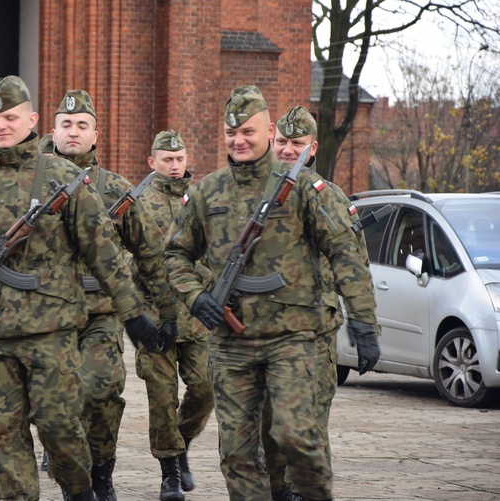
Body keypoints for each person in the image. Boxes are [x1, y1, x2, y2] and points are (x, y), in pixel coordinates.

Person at [0, 75, 162, 501]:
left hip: (52, 335)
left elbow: (103, 252)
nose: (1, 125)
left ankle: (82, 491)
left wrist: (134, 314)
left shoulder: (63, 179)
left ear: (33, 120)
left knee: (61, 434)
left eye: (10, 117)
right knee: (3, 439)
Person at [163, 85, 380, 501]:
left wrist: (364, 322)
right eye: (230, 133)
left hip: (293, 340)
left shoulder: (303, 190)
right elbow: (175, 255)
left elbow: (345, 255)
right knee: (237, 455)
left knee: (295, 437)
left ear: (268, 132)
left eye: (247, 131)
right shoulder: (208, 192)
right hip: (231, 345)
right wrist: (196, 297)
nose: (238, 141)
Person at [52, 89, 175, 501]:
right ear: (52, 131)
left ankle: (101, 472)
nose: (74, 132)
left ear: (95, 134)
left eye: (82, 125)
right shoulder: (29, 186)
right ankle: (68, 478)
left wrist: (167, 309)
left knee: (102, 391)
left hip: (100, 313)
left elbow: (150, 253)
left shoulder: (115, 190)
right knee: (53, 404)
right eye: (66, 125)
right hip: (43, 316)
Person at [263, 106, 366, 501]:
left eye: (297, 144)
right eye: (282, 142)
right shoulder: (250, 193)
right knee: (265, 426)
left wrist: (362, 321)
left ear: (313, 148)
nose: (288, 151)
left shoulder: (331, 198)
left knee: (309, 423)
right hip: (260, 332)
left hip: (315, 334)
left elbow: (353, 265)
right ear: (272, 141)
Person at [137, 130, 214, 500]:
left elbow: (214, 251)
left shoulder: (198, 200)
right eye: (167, 160)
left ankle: (180, 442)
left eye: (179, 159)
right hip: (155, 318)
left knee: (205, 389)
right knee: (162, 398)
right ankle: (169, 471)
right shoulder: (137, 203)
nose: (174, 165)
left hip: (196, 319)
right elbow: (124, 260)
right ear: (152, 162)